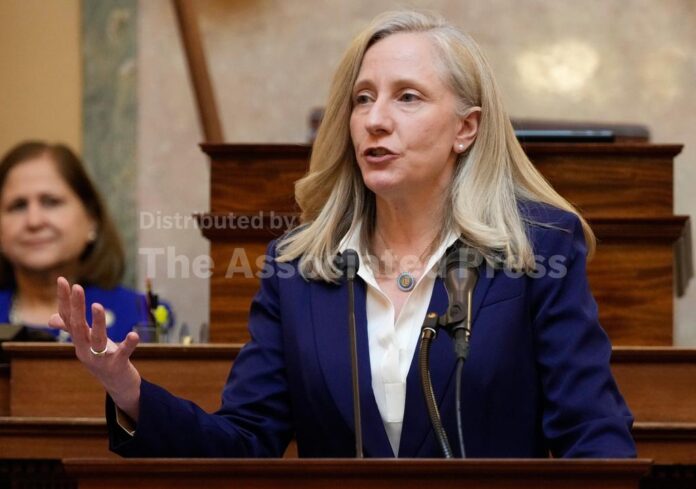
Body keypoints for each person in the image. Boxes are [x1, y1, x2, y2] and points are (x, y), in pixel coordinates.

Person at [50, 11, 636, 458]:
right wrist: (129, 391)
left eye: (408, 97)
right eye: (363, 99)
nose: (375, 119)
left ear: (466, 129)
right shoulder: (297, 269)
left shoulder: (538, 250)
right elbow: (245, 442)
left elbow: (594, 436)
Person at [0, 141, 168, 342]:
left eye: (51, 202)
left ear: (91, 219)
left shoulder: (143, 316)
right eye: (18, 206)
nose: (34, 221)